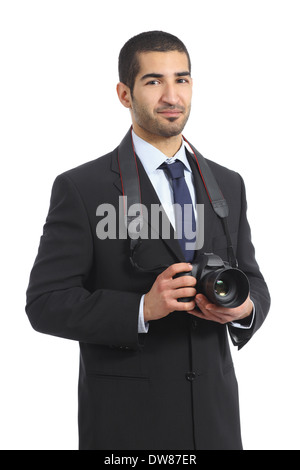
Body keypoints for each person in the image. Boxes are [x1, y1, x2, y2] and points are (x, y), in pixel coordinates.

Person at [26, 31, 270, 450]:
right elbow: (44, 303)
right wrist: (141, 308)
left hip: (215, 421)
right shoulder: (82, 188)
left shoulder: (228, 184)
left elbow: (254, 284)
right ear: (125, 94)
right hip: (128, 424)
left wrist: (244, 309)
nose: (172, 95)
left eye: (183, 79)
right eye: (154, 81)